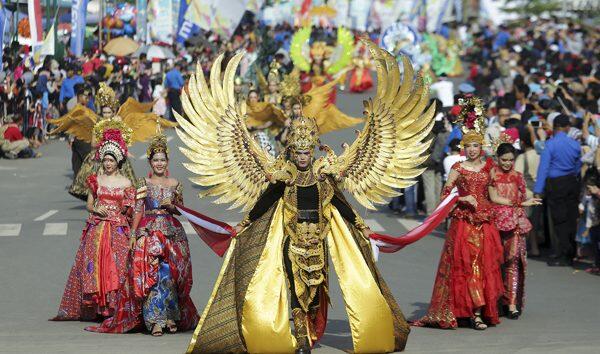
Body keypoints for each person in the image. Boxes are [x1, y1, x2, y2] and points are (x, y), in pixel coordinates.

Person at [180, 46, 434, 354]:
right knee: (295, 290)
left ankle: (312, 331)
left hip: (320, 239)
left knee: (317, 292)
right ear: (292, 152)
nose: (302, 157)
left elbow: (339, 202)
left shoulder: (324, 173)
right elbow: (265, 200)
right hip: (292, 239)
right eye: (298, 153)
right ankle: (301, 338)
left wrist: (359, 225)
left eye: (306, 152)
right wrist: (244, 225)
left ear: (312, 150)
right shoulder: (282, 175)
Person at [86, 135, 199, 335]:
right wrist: (133, 235)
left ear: (167, 162)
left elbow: (180, 210)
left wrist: (172, 206)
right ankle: (154, 320)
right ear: (150, 162)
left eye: (162, 160)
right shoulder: (143, 183)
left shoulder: (175, 183)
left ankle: (171, 315)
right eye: (155, 160)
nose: (159, 163)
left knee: (171, 275)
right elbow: (138, 210)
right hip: (148, 233)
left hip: (172, 234)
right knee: (150, 276)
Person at [414, 96, 504, 330]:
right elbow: (446, 196)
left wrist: (518, 202)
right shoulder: (458, 168)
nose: (472, 150)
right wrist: (463, 197)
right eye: (468, 146)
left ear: (481, 147)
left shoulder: (489, 168)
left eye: (476, 145)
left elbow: (494, 196)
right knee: (467, 266)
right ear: (463, 147)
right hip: (464, 223)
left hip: (485, 223)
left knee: (484, 267)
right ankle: (473, 314)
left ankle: (480, 309)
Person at [52, 129, 135, 321]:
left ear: (118, 162)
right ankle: (98, 307)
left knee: (118, 266)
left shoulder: (126, 182)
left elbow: (130, 208)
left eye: (111, 160)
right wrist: (96, 209)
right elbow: (89, 204)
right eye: (105, 160)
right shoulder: (96, 180)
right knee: (95, 266)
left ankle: (115, 306)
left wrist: (125, 214)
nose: (107, 164)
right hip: (97, 228)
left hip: (117, 228)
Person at [488, 142, 541, 319]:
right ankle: (493, 302)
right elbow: (494, 198)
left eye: (511, 160)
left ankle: (511, 304)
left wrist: (527, 201)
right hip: (494, 224)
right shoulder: (491, 175)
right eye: (504, 159)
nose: (508, 163)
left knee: (512, 262)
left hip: (515, 224)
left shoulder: (518, 176)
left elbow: (524, 196)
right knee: (494, 264)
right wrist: (519, 203)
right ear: (497, 158)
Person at [534, 114, 582, 266]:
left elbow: (544, 168)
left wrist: (538, 189)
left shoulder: (550, 144)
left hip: (555, 184)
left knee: (559, 219)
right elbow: (578, 167)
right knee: (572, 217)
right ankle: (572, 252)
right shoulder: (575, 144)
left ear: (555, 127)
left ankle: (562, 253)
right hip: (571, 182)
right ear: (567, 127)